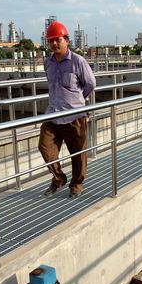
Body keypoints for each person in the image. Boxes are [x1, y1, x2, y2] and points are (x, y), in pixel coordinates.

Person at [38, 21, 96, 198]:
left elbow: (90, 84)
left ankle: (76, 185)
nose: (54, 44)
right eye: (51, 41)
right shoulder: (48, 63)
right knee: (45, 147)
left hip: (74, 116)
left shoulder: (78, 61)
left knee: (78, 154)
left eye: (58, 40)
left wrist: (78, 101)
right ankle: (59, 178)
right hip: (53, 114)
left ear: (67, 41)